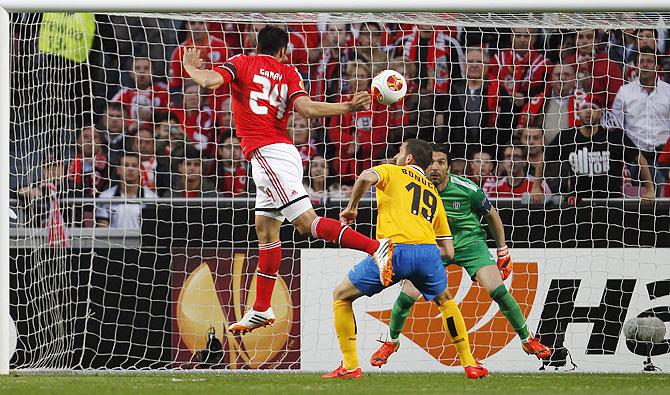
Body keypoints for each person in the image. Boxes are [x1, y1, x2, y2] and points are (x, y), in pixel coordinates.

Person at [183, 25, 391, 334]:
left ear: (257, 46)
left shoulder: (241, 62)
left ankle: (377, 247)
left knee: (306, 223)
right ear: (283, 51)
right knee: (266, 230)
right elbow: (306, 110)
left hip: (268, 154)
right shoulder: (289, 72)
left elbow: (211, 82)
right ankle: (261, 308)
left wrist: (190, 67)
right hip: (281, 152)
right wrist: (347, 106)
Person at [370, 144, 551, 370]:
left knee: (498, 290)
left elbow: (492, 216)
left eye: (441, 163)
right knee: (407, 297)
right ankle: (391, 342)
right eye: (432, 162)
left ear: (449, 167)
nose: (435, 168)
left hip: (470, 244)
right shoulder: (414, 187)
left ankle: (527, 340)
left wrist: (502, 250)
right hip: (434, 247)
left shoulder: (467, 188)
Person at [324, 139, 487, 379]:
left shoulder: (392, 171)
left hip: (394, 249)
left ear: (408, 158)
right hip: (428, 253)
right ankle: (470, 363)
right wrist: (421, 261)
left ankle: (350, 366)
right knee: (446, 301)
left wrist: (352, 208)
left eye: (399, 152)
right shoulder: (433, 192)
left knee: (341, 296)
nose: (396, 156)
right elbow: (449, 252)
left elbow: (365, 177)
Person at [543, 102, 655, 200]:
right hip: (579, 202)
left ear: (601, 113)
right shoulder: (567, 136)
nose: (588, 111)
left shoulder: (614, 136)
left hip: (611, 202)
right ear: (578, 112)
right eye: (584, 107)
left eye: (593, 108)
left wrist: (650, 189)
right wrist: (536, 187)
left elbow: (641, 159)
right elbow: (542, 159)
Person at [613, 46, 670, 192]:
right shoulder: (624, 92)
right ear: (636, 66)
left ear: (656, 66)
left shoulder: (668, 91)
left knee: (663, 203)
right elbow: (616, 126)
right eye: (641, 61)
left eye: (649, 61)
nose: (644, 64)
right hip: (634, 158)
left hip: (663, 158)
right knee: (632, 207)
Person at [96, 152, 158, 229]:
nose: (130, 169)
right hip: (113, 240)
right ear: (118, 170)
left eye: (134, 166)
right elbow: (103, 231)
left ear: (140, 170)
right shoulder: (105, 197)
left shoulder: (152, 198)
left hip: (142, 241)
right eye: (126, 165)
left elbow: (153, 230)